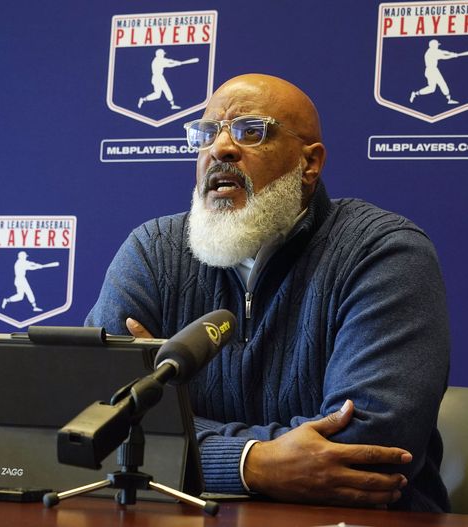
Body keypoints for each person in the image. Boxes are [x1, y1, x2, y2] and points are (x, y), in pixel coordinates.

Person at [86, 74, 450, 512]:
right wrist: (251, 463)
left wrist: (167, 430)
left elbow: (368, 444)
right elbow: (92, 422)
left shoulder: (382, 252)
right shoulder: (153, 251)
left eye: (250, 132)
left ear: (309, 163)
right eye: (207, 134)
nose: (221, 148)